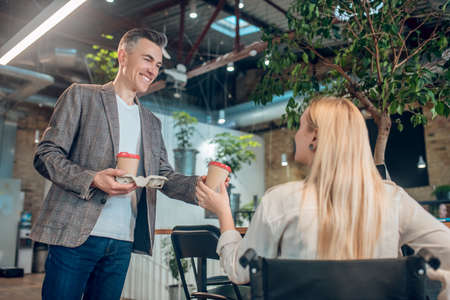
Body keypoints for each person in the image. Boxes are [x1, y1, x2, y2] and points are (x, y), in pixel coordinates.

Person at [196, 96, 450, 298]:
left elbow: (240, 272)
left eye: (300, 127)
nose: (295, 135)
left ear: (314, 139)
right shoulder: (393, 200)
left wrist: (223, 212)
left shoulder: (279, 202)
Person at [32, 28, 201, 300]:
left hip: (122, 242)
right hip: (75, 237)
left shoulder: (151, 122)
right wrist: (92, 179)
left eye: (158, 65)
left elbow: (163, 175)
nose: (153, 70)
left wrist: (198, 185)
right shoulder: (82, 96)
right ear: (123, 56)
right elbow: (46, 154)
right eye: (147, 60)